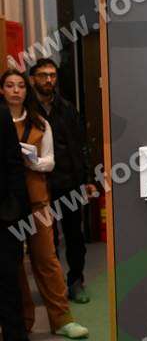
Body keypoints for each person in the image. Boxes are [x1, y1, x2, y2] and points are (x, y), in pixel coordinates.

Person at [0, 69, 89, 340]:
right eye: (9, 85)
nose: (16, 90)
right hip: (7, 203)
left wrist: (32, 161)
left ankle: (62, 319)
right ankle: (22, 323)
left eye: (20, 85)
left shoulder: (40, 123)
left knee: (47, 259)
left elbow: (50, 162)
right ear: (2, 90)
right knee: (13, 264)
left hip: (37, 198)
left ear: (27, 90)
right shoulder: (1, 122)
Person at [29, 58, 97, 303]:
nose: (49, 80)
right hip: (40, 184)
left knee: (74, 236)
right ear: (33, 79)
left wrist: (87, 179)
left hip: (70, 182)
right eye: (43, 75)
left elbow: (81, 146)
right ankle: (55, 286)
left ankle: (76, 281)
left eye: (52, 75)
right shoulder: (28, 110)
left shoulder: (67, 108)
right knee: (46, 240)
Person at [0, 102, 48, 341]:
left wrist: (16, 211)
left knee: (9, 286)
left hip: (4, 218)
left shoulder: (1, 113)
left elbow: (13, 164)